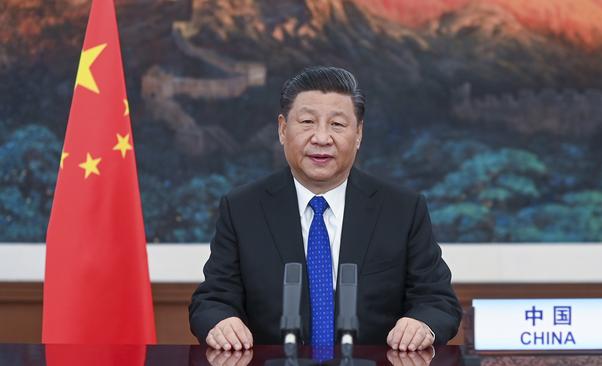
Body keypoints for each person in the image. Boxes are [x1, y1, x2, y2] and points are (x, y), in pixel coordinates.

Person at [189, 66, 461, 353]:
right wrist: (222, 321)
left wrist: (420, 323)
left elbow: (437, 301)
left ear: (358, 134)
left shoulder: (402, 210)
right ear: (283, 129)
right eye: (307, 122)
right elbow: (212, 300)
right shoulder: (243, 209)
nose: (321, 138)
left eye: (337, 125)